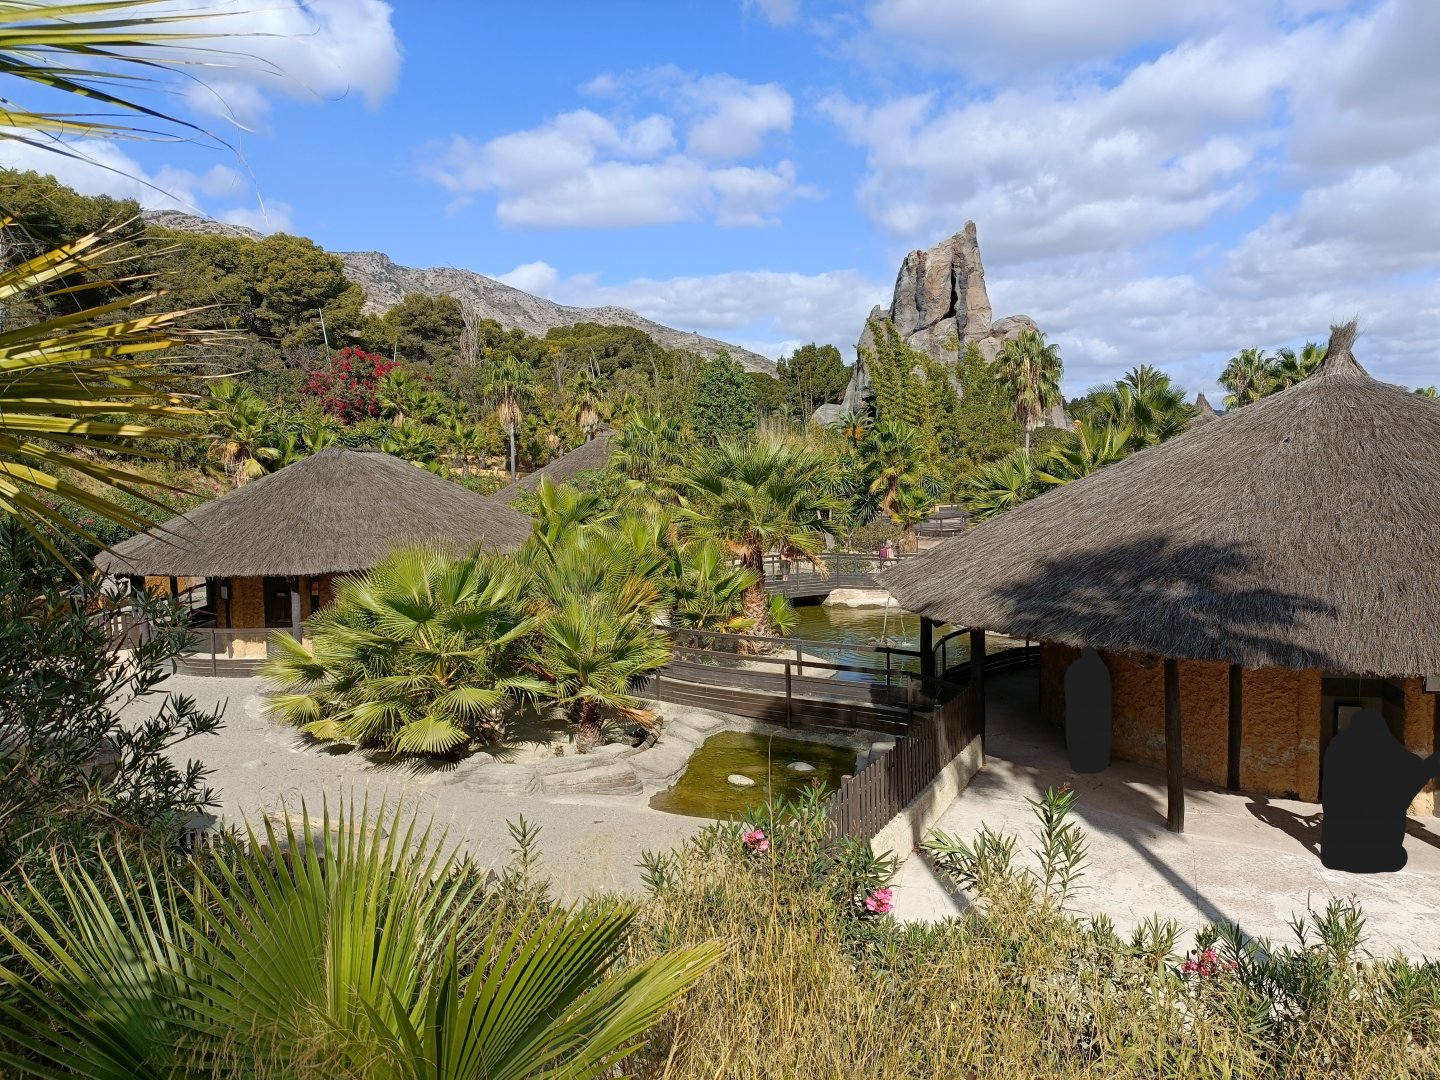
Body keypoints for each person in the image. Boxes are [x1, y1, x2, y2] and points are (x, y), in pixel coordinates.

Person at [1321, 708, 1440, 873]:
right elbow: (1420, 771)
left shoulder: (1337, 747)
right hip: (1384, 859)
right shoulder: (1391, 752)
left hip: (1334, 857)